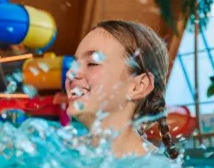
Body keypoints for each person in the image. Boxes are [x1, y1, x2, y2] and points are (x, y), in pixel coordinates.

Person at [65, 20, 179, 159]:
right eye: (74, 64)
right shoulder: (65, 153)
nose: (70, 73)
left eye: (92, 63)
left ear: (138, 86)